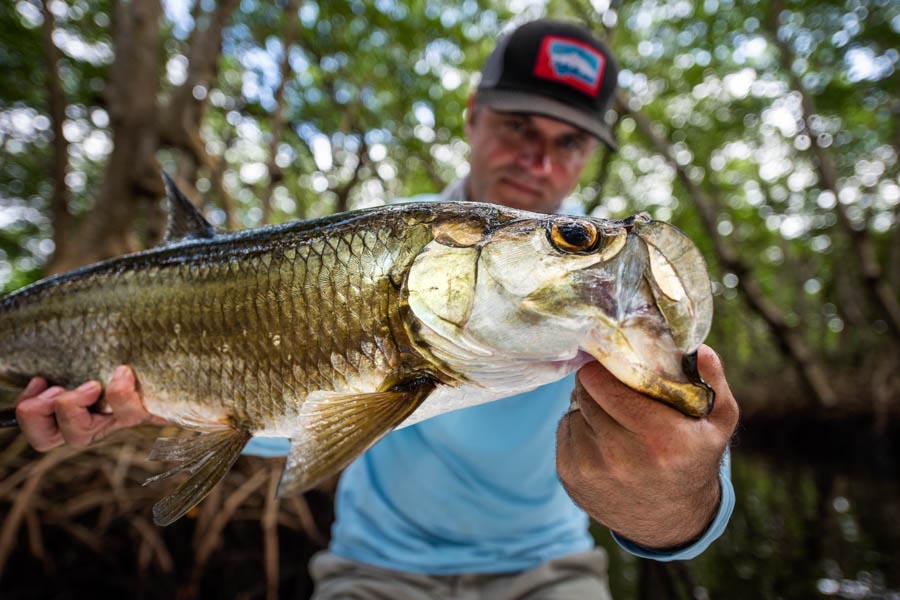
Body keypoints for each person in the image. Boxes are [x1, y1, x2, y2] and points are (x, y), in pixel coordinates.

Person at [15, 19, 739, 599]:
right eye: (520, 126)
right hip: (374, 571)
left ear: (587, 155)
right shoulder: (384, 235)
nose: (540, 160)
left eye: (569, 141)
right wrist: (160, 405)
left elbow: (692, 496)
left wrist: (676, 499)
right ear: (474, 116)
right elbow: (298, 417)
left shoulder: (608, 291)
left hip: (548, 572)